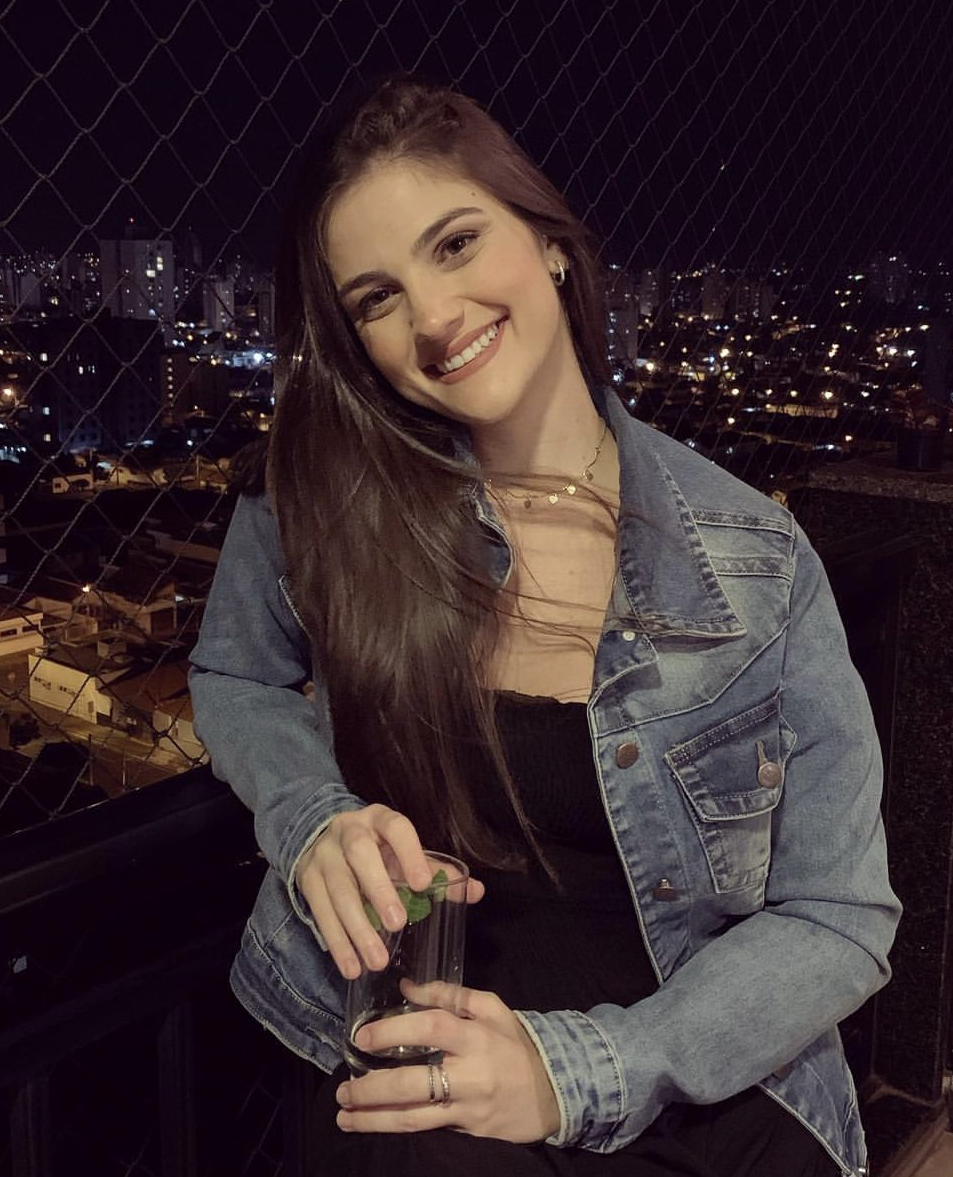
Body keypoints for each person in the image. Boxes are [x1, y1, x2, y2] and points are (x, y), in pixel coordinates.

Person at [188, 76, 900, 1177]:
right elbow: (235, 675)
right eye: (376, 299)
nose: (433, 317)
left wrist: (582, 1070)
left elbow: (839, 911)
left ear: (550, 242)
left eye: (456, 243)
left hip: (691, 1058)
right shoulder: (317, 500)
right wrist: (311, 815)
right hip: (416, 1041)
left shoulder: (756, 557)